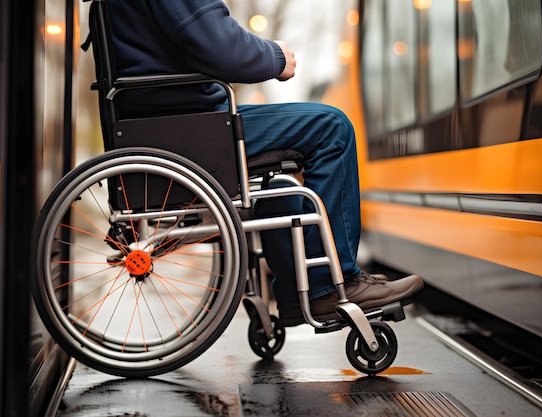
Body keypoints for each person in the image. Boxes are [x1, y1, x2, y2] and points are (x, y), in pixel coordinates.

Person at [104, 0, 424, 326]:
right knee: (332, 128)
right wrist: (276, 57)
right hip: (189, 126)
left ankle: (300, 293)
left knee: (281, 186)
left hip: (166, 121)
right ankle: (332, 283)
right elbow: (220, 46)